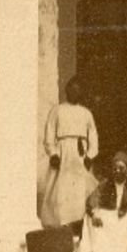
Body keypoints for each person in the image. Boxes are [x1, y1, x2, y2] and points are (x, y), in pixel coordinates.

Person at [37, 78, 99, 232]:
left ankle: (78, 222)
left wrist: (90, 155)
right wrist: (53, 154)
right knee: (61, 189)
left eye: (78, 90)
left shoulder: (86, 113)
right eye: (72, 89)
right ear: (66, 91)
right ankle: (60, 223)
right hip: (62, 153)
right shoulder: (57, 111)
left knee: (80, 189)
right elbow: (49, 133)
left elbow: (93, 135)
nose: (75, 92)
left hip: (80, 154)